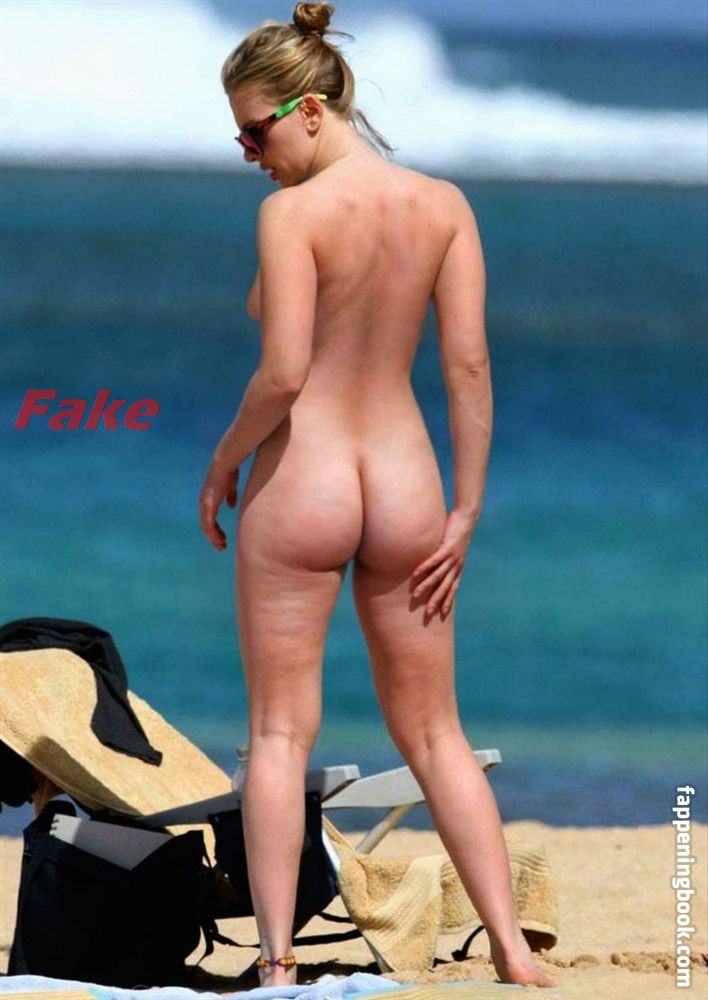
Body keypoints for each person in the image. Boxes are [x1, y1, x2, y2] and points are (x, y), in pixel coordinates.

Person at [199, 1, 556, 989]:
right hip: (406, 481)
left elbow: (283, 373)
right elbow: (468, 366)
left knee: (279, 732)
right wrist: (467, 509)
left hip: (305, 478)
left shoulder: (291, 217)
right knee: (437, 732)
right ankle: (513, 950)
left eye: (255, 131)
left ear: (310, 110)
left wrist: (225, 460)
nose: (248, 154)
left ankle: (277, 964)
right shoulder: (443, 206)